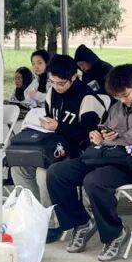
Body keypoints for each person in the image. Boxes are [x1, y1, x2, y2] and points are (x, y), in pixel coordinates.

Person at [46, 64, 132, 261]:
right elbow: (108, 128)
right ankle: (81, 222)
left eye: (125, 95)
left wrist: (110, 139)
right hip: (104, 155)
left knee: (94, 181)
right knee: (56, 172)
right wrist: (99, 135)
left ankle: (115, 233)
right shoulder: (119, 105)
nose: (122, 100)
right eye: (118, 97)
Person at [12, 53, 107, 226]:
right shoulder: (52, 92)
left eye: (61, 83)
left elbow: (89, 135)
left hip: (79, 152)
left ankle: (52, 221)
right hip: (53, 147)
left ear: (74, 77)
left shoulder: (87, 98)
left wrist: (58, 127)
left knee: (44, 173)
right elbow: (51, 120)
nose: (56, 87)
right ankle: (34, 217)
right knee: (18, 167)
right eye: (52, 82)